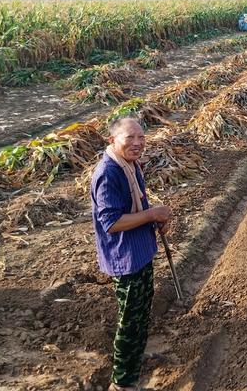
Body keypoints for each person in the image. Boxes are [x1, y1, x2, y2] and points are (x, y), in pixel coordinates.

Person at [90, 117, 172, 391]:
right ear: (112, 140)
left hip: (140, 251)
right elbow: (111, 223)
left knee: (141, 313)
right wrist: (151, 213)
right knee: (130, 321)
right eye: (130, 138)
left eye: (141, 138)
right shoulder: (108, 173)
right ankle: (122, 383)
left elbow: (138, 206)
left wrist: (156, 218)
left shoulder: (130, 165)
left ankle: (134, 361)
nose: (137, 143)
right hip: (125, 258)